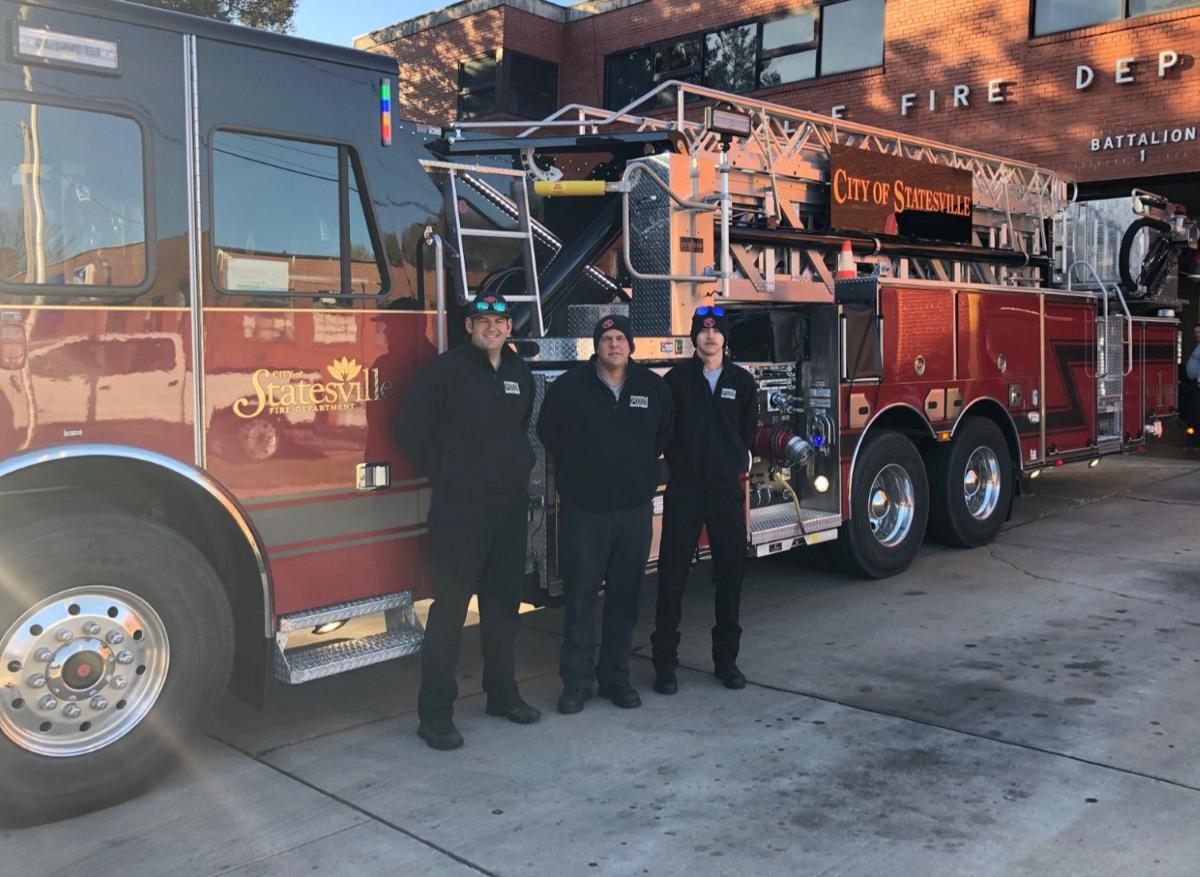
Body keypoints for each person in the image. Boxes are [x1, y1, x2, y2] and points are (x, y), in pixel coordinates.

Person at [396, 293, 541, 751]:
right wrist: (446, 472)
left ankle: (502, 694)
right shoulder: (444, 372)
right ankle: (435, 715)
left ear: (509, 328)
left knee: (503, 608)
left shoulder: (519, 373)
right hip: (459, 511)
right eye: (483, 321)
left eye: (499, 322)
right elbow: (409, 429)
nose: (491, 328)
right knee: (450, 612)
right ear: (469, 327)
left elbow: (520, 428)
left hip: (508, 509)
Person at [536, 314, 674, 713]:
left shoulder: (652, 387)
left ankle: (615, 678)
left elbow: (664, 433)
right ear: (596, 346)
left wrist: (636, 470)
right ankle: (576, 684)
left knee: (625, 599)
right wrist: (583, 469)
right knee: (580, 598)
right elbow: (548, 432)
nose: (614, 345)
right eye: (607, 338)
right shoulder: (570, 387)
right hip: (584, 512)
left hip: (633, 512)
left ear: (631, 345)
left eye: (620, 338)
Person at [651, 305, 758, 694]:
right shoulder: (675, 381)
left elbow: (746, 433)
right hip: (685, 490)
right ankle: (665, 666)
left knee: (730, 576)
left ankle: (726, 662)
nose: (710, 336)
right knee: (672, 577)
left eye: (716, 330)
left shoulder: (742, 383)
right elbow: (663, 430)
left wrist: (730, 463)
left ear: (724, 338)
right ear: (694, 337)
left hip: (726, 492)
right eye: (703, 330)